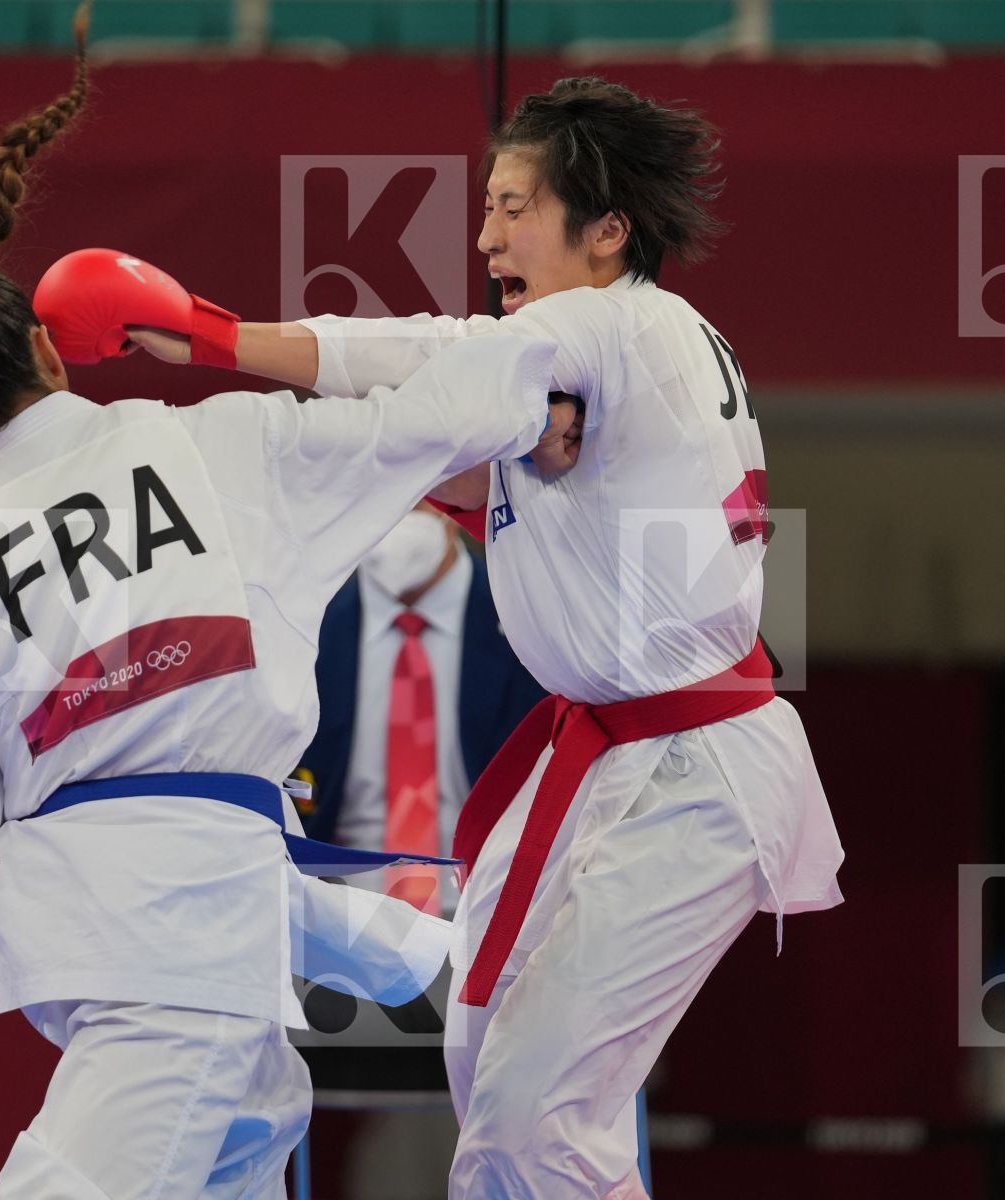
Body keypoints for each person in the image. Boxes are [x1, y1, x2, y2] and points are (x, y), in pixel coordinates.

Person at [0, 14, 574, 1196]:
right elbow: (434, 408)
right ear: (53, 348)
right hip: (181, 937)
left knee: (247, 1134)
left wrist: (40, 806)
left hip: (91, 918)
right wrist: (531, 394)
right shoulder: (224, 449)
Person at [124, 76, 845, 1198]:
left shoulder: (601, 323)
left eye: (515, 207)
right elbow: (445, 362)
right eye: (488, 205)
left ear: (605, 230)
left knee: (529, 1108)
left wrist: (215, 343)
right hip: (615, 754)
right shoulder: (618, 342)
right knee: (485, 1059)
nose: (487, 234)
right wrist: (220, 340)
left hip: (686, 772)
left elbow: (428, 368)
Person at [300, 501, 545, 919]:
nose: (398, 517)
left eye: (418, 501)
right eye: (383, 497)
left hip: (489, 904)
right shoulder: (306, 629)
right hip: (338, 912)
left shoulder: (531, 627)